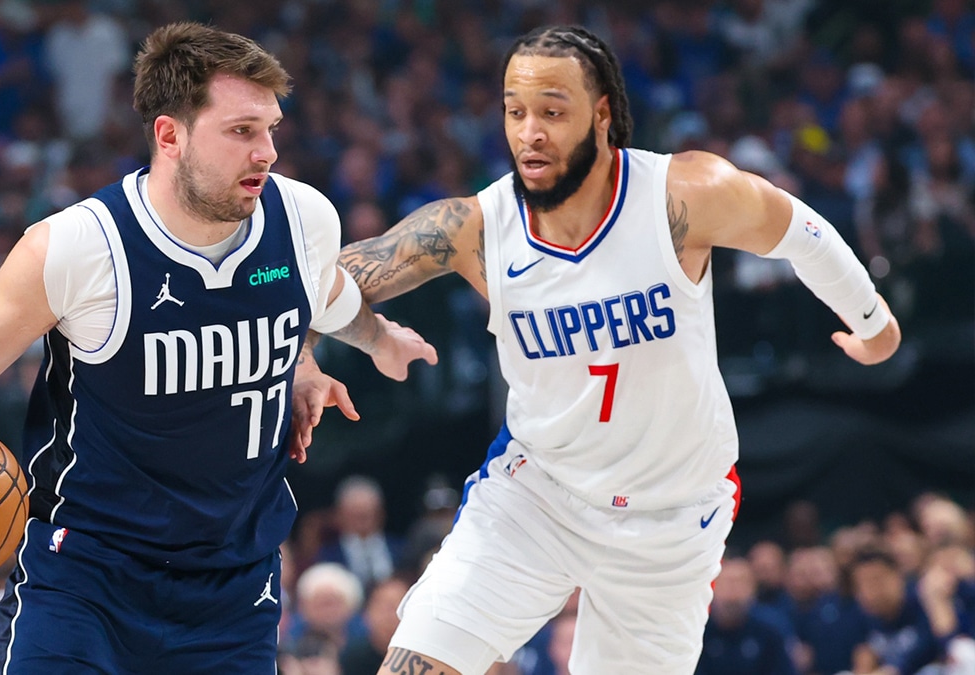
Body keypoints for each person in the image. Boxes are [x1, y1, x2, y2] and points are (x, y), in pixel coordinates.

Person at [307, 23, 901, 675]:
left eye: (552, 112)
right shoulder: (477, 227)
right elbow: (326, 279)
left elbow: (800, 233)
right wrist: (339, 344)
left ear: (602, 115)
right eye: (515, 111)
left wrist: (873, 324)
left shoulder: (683, 195)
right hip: (539, 492)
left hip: (671, 515)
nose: (529, 131)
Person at [0, 22, 434, 674]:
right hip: (88, 575)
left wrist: (367, 342)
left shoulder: (303, 218)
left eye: (271, 128)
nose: (267, 151)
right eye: (242, 131)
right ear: (170, 136)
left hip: (233, 584)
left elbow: (323, 293)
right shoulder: (80, 246)